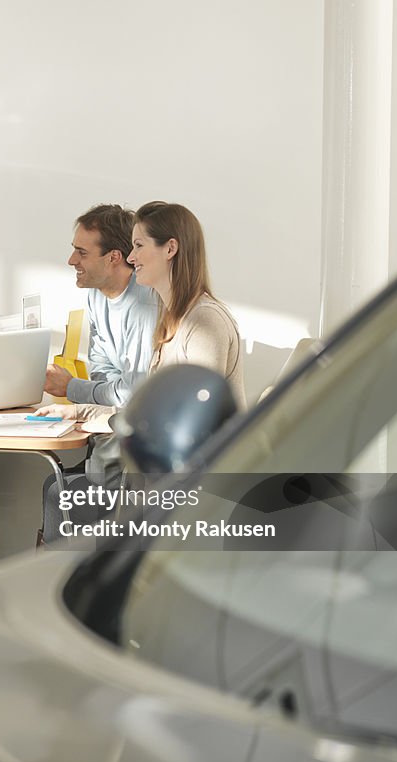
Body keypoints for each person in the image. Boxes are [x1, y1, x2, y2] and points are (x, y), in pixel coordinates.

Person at [37, 201, 243, 543]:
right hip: (157, 479)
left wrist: (87, 406)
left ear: (170, 249)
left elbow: (193, 428)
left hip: (187, 492)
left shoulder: (204, 323)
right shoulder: (173, 320)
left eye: (138, 246)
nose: (130, 258)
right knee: (62, 490)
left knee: (63, 494)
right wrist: (82, 410)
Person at [43, 204, 159, 408]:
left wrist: (71, 387)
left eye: (82, 253)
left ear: (113, 257)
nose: (72, 260)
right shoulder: (96, 294)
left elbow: (134, 393)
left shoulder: (144, 305)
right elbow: (100, 367)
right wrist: (111, 393)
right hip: (116, 414)